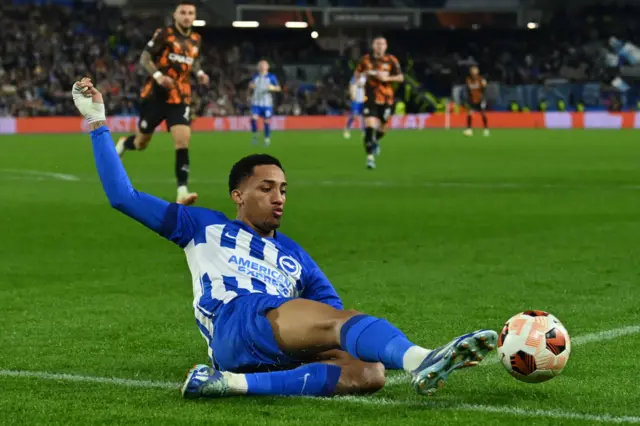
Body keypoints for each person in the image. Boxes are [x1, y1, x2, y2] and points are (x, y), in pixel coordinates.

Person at [72, 78, 497, 400]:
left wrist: (341, 337)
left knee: (368, 373)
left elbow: (329, 314)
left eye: (284, 189)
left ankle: (229, 384)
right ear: (238, 196)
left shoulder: (295, 255)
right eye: (266, 188)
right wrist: (96, 123)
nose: (279, 198)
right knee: (335, 323)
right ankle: (423, 358)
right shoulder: (202, 225)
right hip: (237, 318)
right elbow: (122, 197)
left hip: (272, 336)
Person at [116, 1, 210, 205]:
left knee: (183, 140)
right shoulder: (164, 34)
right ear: (175, 15)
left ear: (194, 16)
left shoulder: (196, 39)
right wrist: (158, 76)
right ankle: (125, 143)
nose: (187, 16)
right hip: (156, 96)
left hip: (180, 97)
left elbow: (193, 61)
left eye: (190, 13)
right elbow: (145, 57)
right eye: (183, 12)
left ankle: (182, 191)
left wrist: (200, 73)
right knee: (141, 143)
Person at [355, 36, 403, 170]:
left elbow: (400, 77)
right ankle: (370, 158)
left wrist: (387, 77)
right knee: (370, 126)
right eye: (377, 44)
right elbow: (357, 74)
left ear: (386, 46)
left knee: (382, 128)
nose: (380, 46)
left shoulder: (391, 60)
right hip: (370, 98)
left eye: (382, 44)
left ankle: (374, 140)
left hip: (387, 99)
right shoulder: (365, 60)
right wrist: (360, 80)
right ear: (373, 46)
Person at [249, 60, 281, 146]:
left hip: (267, 103)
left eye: (264, 65)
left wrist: (272, 88)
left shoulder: (271, 77)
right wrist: (251, 86)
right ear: (258, 67)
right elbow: (251, 85)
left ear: (267, 67)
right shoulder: (255, 76)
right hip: (256, 102)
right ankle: (255, 135)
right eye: (260, 65)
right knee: (253, 119)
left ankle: (267, 138)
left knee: (266, 122)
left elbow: (278, 88)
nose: (262, 66)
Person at [464, 66, 490, 137]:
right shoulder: (468, 79)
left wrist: (484, 99)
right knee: (469, 113)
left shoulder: (481, 79)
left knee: (483, 113)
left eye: (475, 71)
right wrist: (468, 99)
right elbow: (468, 90)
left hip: (480, 99)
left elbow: (484, 90)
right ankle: (469, 129)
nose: (474, 72)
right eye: (472, 71)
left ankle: (486, 128)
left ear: (477, 72)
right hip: (471, 100)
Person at [343, 74, 367, 140]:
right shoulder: (354, 77)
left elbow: (365, 87)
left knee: (364, 116)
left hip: (363, 100)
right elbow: (351, 86)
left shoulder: (365, 77)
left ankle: (364, 131)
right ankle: (347, 130)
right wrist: (352, 95)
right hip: (356, 100)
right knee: (354, 115)